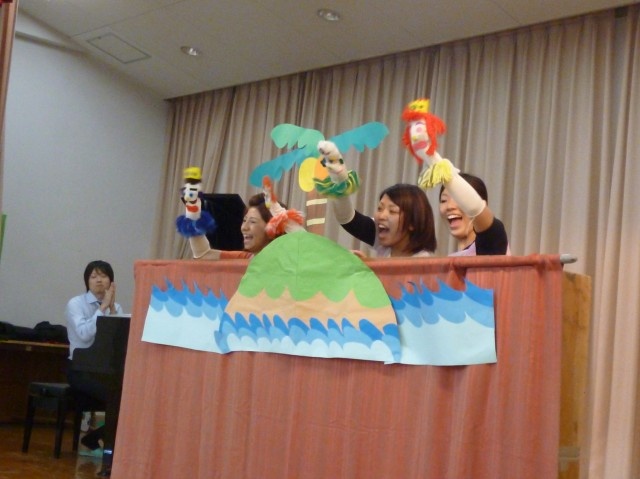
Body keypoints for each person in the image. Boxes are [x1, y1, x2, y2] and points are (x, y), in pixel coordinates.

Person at [401, 98, 508, 256]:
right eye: (444, 200)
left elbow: (475, 208)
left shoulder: (494, 240)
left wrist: (431, 157)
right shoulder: (449, 260)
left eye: (457, 199)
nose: (449, 206)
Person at [316, 140, 437, 258]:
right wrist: (340, 182)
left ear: (412, 223)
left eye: (392, 211)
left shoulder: (424, 262)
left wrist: (370, 267)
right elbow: (348, 220)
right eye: (380, 208)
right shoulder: (385, 244)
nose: (381, 216)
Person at [65, 260, 123, 475]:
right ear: (87, 281)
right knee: (117, 399)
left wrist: (113, 309)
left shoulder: (116, 307)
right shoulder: (76, 304)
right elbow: (84, 334)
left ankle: (96, 439)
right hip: (80, 370)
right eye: (93, 276)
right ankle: (108, 457)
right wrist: (102, 308)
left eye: (104, 276)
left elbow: (117, 343)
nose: (99, 280)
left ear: (111, 281)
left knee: (127, 399)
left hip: (106, 370)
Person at [180, 169, 305, 260]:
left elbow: (306, 247)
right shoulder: (246, 258)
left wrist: (281, 214)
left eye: (252, 221)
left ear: (272, 229)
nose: (244, 227)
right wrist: (193, 213)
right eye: (244, 220)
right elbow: (203, 254)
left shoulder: (288, 261)